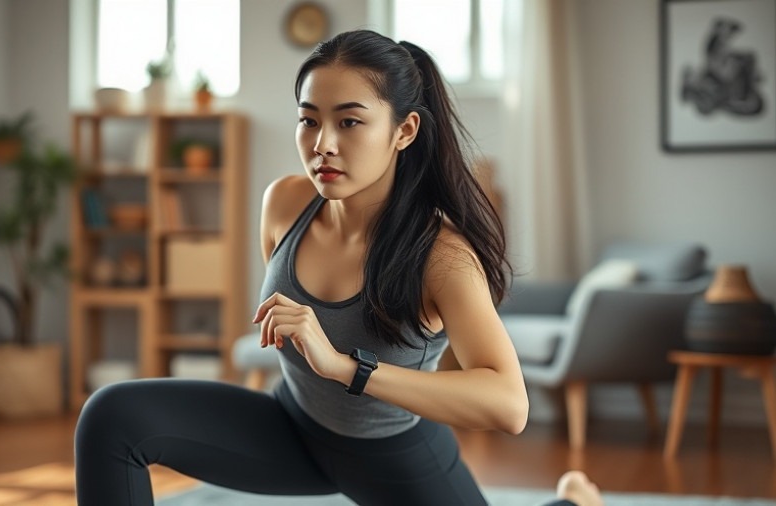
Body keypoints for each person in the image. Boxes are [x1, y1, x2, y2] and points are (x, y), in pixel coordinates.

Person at [75, 29, 603, 506]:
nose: (322, 143)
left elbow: (509, 405)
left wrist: (346, 367)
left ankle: (576, 500)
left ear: (404, 130)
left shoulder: (442, 256)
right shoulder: (284, 204)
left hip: (392, 454)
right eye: (309, 120)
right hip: (291, 427)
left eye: (350, 121)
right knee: (112, 416)